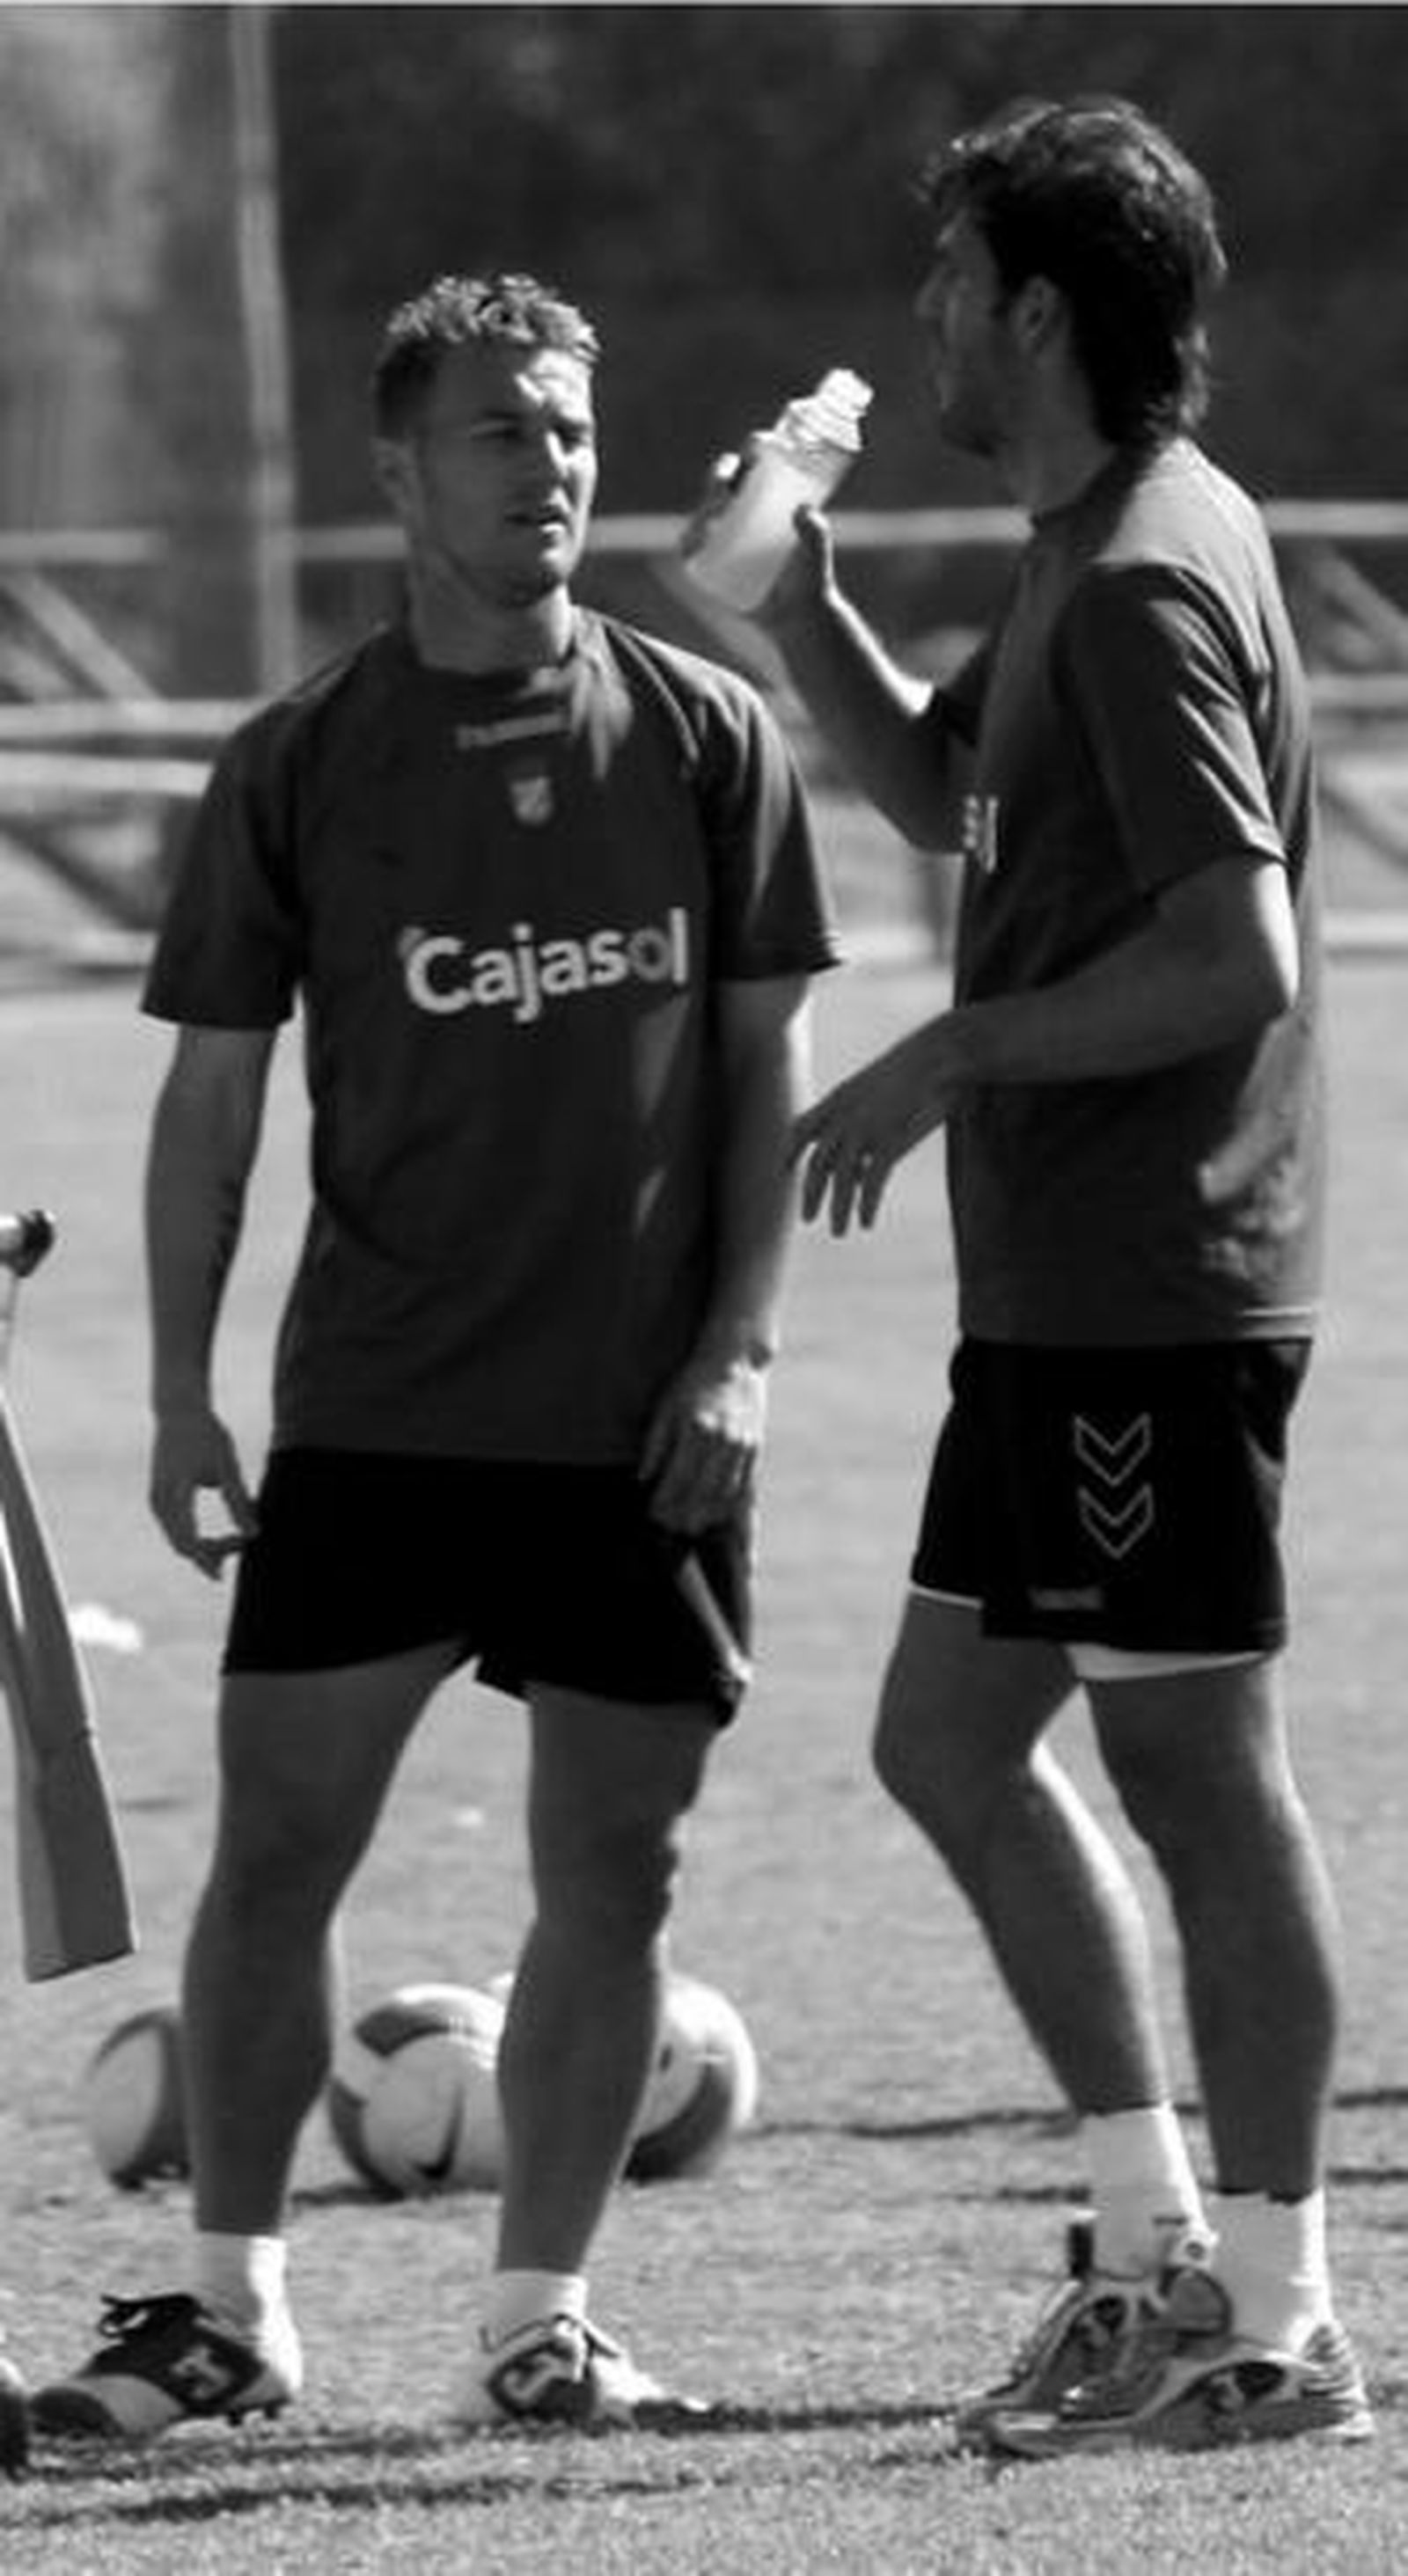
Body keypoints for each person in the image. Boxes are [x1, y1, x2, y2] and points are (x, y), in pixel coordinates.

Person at [33, 272, 838, 2442]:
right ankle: (229, 2313)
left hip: (638, 1428)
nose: (548, 466)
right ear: (398, 469)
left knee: (618, 1874)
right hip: (380, 1414)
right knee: (272, 1865)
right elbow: (212, 1107)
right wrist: (185, 1393)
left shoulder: (707, 732)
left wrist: (740, 1354)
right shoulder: (298, 761)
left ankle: (536, 2325)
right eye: (499, 431)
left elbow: (764, 1080)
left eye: (570, 429)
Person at [746, 96, 1369, 2455]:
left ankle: (1287, 2324)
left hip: (1152, 1288)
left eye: (946, 279)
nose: (916, 316)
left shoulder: (1130, 575)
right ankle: (1150, 2249)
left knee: (1199, 1776)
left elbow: (1242, 953)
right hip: (1061, 1294)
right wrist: (797, 604)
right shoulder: (1078, 549)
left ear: (1034, 309)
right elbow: (954, 806)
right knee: (944, 1739)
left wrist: (946, 1056)